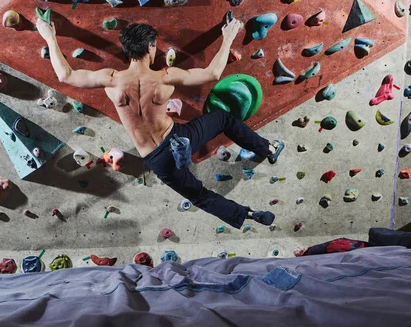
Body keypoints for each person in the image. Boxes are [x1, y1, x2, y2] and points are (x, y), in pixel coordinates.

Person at [36, 16, 285, 229]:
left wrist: (50, 37)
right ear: (151, 47)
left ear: (127, 51)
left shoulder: (112, 79)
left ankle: (248, 214)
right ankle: (269, 150)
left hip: (156, 157)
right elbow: (212, 73)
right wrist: (228, 37)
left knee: (199, 195)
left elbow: (65, 75)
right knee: (222, 118)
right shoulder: (165, 77)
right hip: (179, 138)